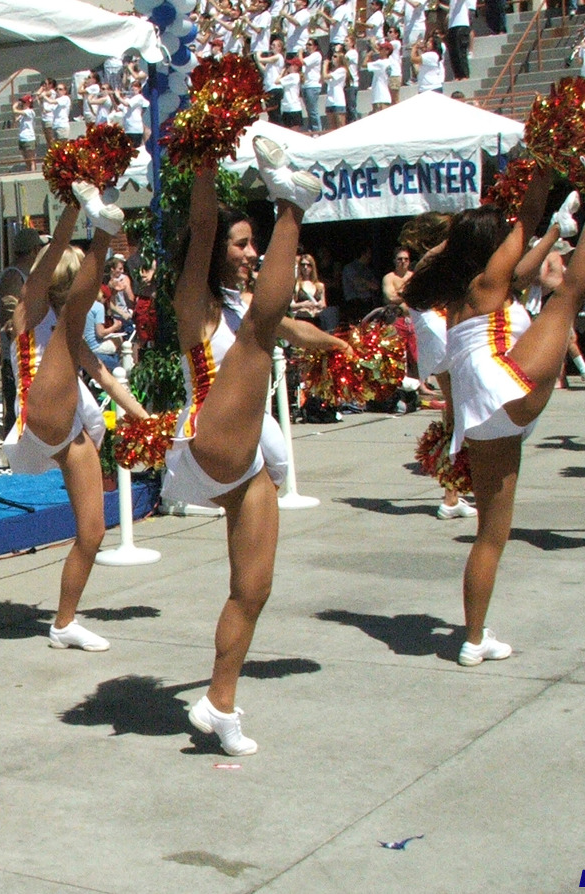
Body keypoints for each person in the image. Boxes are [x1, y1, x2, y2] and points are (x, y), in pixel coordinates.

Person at [402, 134, 585, 667]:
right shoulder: (489, 281)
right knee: (570, 294)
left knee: (490, 534)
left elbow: (528, 242)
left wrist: (551, 211)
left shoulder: (468, 291)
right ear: (491, 247)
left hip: (481, 419)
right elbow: (526, 220)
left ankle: (473, 639)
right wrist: (547, 169)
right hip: (501, 387)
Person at [168, 139, 344, 755]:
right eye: (242, 245)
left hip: (248, 464)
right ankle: (291, 204)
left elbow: (289, 324)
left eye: (254, 245)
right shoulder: (195, 301)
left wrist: (334, 346)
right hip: (211, 438)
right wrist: (207, 149)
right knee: (260, 341)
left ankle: (219, 702)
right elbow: (203, 221)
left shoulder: (245, 309)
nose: (249, 255)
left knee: (254, 587)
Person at [4, 182, 147, 651]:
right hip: (39, 413)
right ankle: (104, 231)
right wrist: (73, 207)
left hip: (69, 426)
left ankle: (64, 624)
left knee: (93, 530)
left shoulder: (72, 336)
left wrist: (149, 423)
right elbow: (52, 256)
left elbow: (106, 379)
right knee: (70, 327)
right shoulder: (29, 315)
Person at [0, 228, 47, 436]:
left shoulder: (34, 275)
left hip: (37, 350)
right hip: (19, 356)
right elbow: (11, 317)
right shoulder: (13, 276)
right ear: (35, 250)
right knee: (17, 410)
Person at [258, 35, 287, 122]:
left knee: (275, 114)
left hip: (275, 88)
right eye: (272, 45)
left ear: (279, 48)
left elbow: (262, 60)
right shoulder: (271, 60)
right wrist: (257, 59)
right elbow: (264, 69)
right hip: (269, 88)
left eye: (274, 45)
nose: (272, 47)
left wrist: (258, 54)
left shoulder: (278, 57)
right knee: (271, 114)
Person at [292, 253, 327, 324]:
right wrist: (303, 305)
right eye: (303, 265)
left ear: (312, 267)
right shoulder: (296, 285)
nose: (305, 267)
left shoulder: (320, 286)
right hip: (301, 320)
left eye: (308, 265)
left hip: (316, 320)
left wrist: (320, 304)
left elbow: (324, 304)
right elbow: (290, 306)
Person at [366, 42, 399, 112]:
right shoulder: (389, 62)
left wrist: (368, 55)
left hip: (380, 97)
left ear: (387, 51)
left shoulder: (381, 63)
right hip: (384, 96)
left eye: (381, 49)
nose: (379, 51)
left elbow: (364, 65)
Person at [301, 37, 324, 132]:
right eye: (307, 44)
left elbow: (302, 62)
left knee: (313, 110)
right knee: (309, 111)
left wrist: (299, 53)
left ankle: (317, 130)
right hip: (306, 85)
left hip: (313, 86)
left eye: (310, 45)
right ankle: (311, 129)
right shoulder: (308, 57)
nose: (307, 47)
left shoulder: (316, 55)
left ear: (315, 47)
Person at [324, 47, 350, 129]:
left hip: (338, 100)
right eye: (333, 56)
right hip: (330, 100)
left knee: (340, 126)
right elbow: (323, 78)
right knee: (332, 127)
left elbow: (325, 76)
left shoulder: (342, 70)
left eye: (335, 57)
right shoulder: (333, 72)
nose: (332, 58)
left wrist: (325, 65)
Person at [121, 79, 151, 148]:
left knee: (135, 148)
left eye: (136, 86)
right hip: (127, 129)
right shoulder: (129, 98)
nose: (133, 88)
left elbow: (127, 104)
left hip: (135, 129)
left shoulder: (139, 97)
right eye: (132, 86)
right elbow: (117, 108)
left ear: (140, 88)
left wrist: (118, 96)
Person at [278, 56, 306, 129]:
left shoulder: (293, 76)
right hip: (288, 107)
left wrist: (283, 71)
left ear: (296, 67)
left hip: (292, 107)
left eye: (290, 65)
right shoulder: (292, 76)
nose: (288, 67)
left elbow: (277, 81)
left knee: (293, 131)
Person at [446, 0, 471, 79]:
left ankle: (464, 75)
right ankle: (457, 75)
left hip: (461, 24)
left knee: (460, 51)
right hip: (452, 25)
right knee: (453, 52)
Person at [13, 94, 37, 172]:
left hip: (29, 138)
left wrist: (14, 106)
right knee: (26, 160)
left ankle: (33, 174)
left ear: (28, 103)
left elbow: (15, 110)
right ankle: (27, 172)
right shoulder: (22, 114)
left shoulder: (30, 112)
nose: (22, 103)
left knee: (31, 160)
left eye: (24, 102)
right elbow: (16, 119)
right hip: (22, 138)